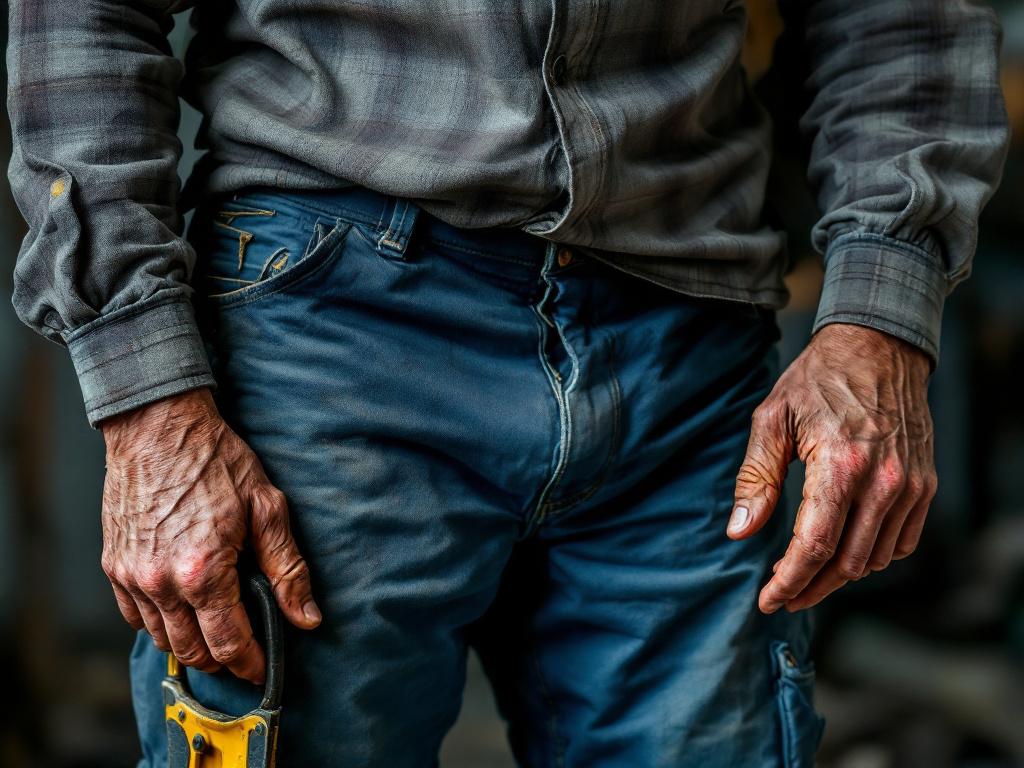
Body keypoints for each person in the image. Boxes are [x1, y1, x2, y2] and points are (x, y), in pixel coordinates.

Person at [6, 1, 1008, 765]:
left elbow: (899, 17)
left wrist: (880, 318)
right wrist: (150, 404)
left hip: (686, 336)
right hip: (325, 318)